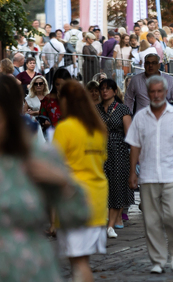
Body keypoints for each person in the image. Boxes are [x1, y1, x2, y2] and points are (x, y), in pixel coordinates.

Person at [0, 77, 88, 282]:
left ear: (9, 117)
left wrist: (62, 182)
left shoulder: (38, 156)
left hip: (33, 269)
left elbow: (78, 216)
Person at [126, 75, 173, 274]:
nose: (156, 95)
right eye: (152, 92)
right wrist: (132, 172)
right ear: (148, 94)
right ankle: (157, 259)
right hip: (148, 175)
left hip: (172, 174)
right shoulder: (140, 117)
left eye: (159, 91)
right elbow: (135, 145)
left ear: (166, 92)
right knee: (151, 220)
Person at [52, 80, 108, 282]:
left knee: (78, 264)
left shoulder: (65, 128)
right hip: (98, 199)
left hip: (74, 199)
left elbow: (56, 165)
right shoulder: (97, 128)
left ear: (65, 100)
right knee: (83, 261)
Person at [95, 79, 133, 237]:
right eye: (102, 89)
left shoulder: (122, 109)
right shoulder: (95, 109)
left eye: (108, 89)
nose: (105, 91)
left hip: (118, 149)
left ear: (114, 91)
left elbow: (129, 133)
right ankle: (108, 218)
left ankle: (113, 221)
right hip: (100, 149)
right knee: (101, 184)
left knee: (117, 184)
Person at [39, 68, 71, 132]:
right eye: (57, 84)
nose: (60, 87)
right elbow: (41, 117)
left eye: (63, 84)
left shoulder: (74, 98)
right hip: (52, 135)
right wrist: (45, 122)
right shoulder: (48, 99)